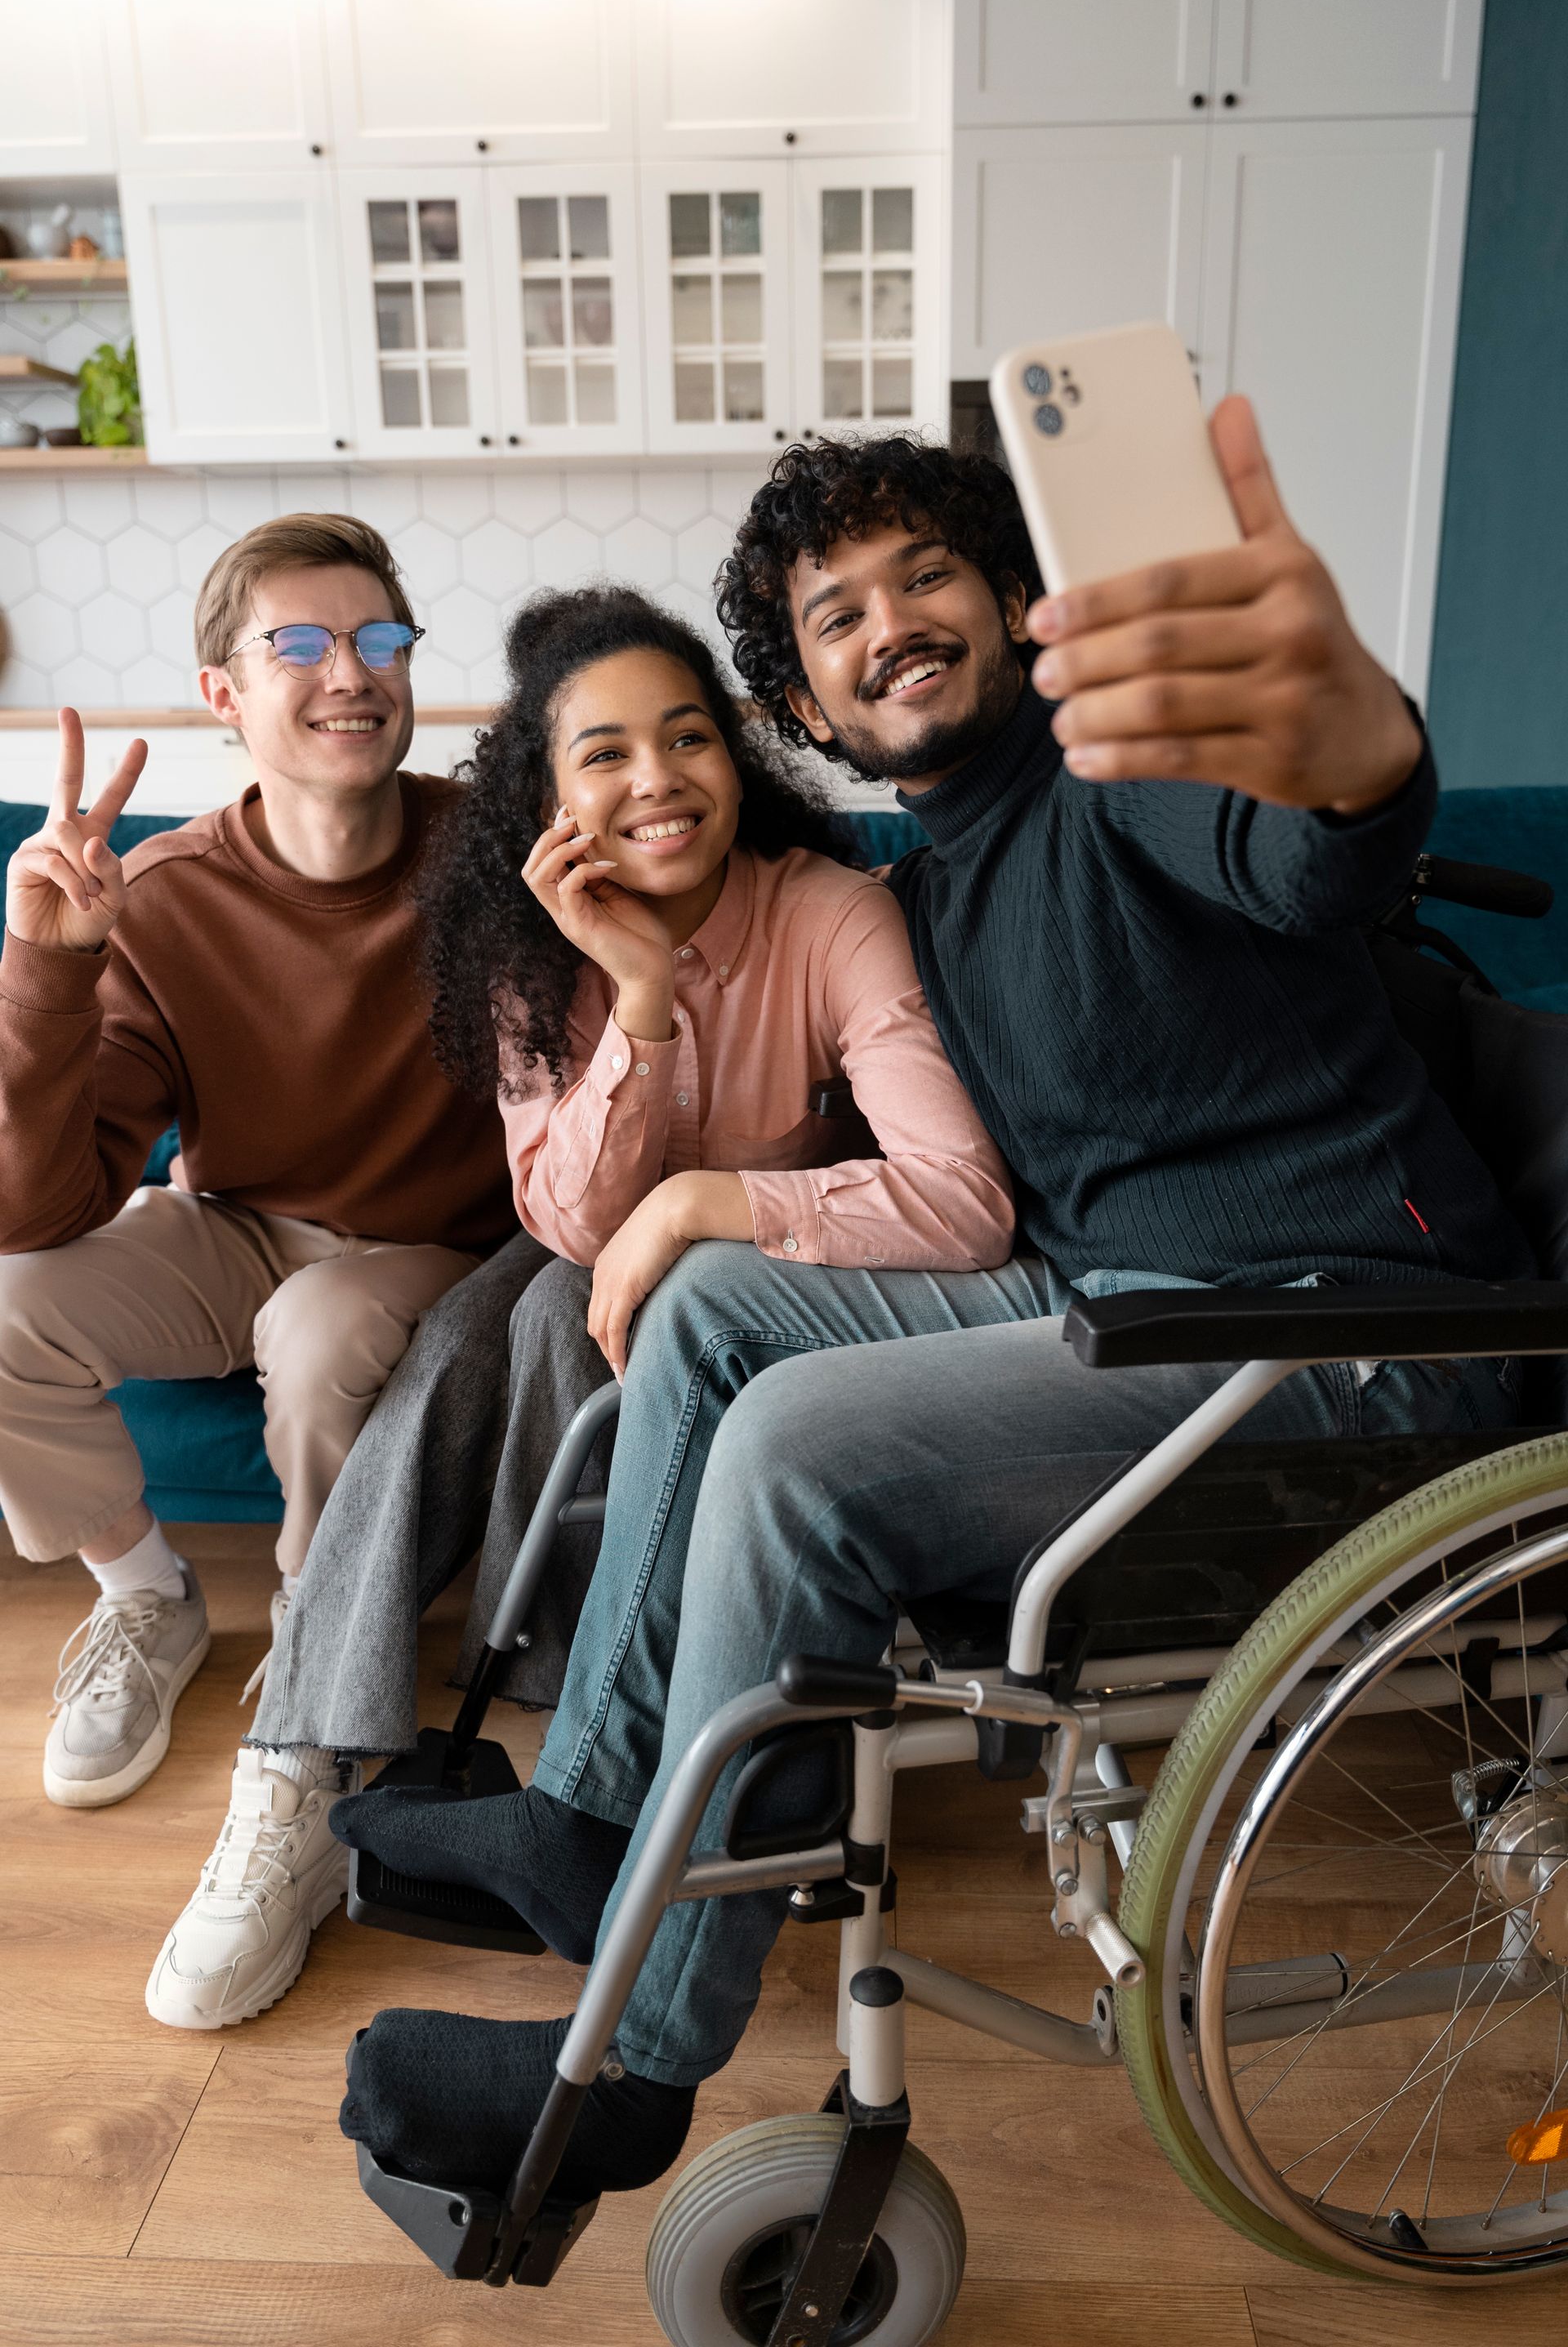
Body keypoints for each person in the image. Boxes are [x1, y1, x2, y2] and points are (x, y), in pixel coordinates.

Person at [333, 405, 1535, 2205]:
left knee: (803, 1447)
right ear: (808, 708)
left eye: (928, 572)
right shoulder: (930, 878)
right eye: (836, 612)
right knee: (724, 1308)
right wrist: (683, 1138)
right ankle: (594, 1815)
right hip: (1132, 1312)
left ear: (1019, 604)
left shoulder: (1128, 773)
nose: (890, 616)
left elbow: (1309, 854)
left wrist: (1356, 751)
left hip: (1338, 1346)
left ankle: (640, 2069)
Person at [145, 583, 1013, 2030]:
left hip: (796, 1278)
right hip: (579, 1269)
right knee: (511, 1320)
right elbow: (569, 1224)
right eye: (604, 754)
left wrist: (698, 1205)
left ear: (738, 757)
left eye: (688, 739)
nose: (656, 780)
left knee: (567, 1317)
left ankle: (565, 1749)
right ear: (546, 798)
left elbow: (962, 1200)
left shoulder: (834, 913)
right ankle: (303, 1767)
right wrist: (641, 996)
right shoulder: (530, 942)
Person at [0, 511, 521, 1830]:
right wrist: (49, 968)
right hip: (236, 1230)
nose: (351, 672)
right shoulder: (161, 896)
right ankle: (146, 1598)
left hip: (434, 1250)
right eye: (300, 643)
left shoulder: (496, 861)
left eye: (379, 639)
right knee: (6, 1304)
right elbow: (36, 1212)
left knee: (324, 1320)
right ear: (223, 696)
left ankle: (318, 1642)